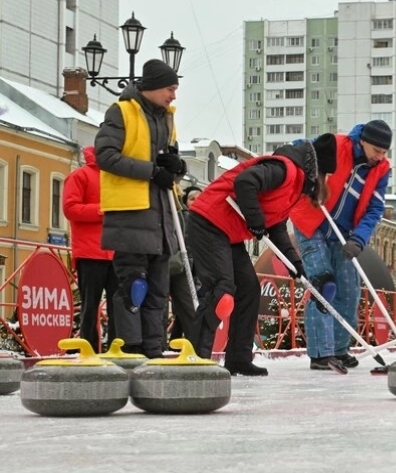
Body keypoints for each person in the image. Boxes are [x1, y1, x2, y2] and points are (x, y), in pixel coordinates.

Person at [186, 135, 336, 376]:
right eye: (326, 176)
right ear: (316, 170)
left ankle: (238, 358)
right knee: (222, 291)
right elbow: (245, 182)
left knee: (249, 289)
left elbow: (276, 227)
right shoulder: (283, 169)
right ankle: (195, 359)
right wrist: (255, 221)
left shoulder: (294, 189)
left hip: (230, 232)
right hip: (208, 223)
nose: (325, 182)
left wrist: (294, 263)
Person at [96, 59, 186, 359]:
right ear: (152, 87)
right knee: (134, 286)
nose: (173, 95)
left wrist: (177, 167)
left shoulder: (167, 118)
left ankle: (153, 348)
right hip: (130, 214)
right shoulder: (121, 112)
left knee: (159, 290)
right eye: (170, 88)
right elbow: (105, 155)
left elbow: (170, 163)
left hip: (161, 216)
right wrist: (150, 171)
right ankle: (131, 348)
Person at [290, 120, 392, 372]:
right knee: (325, 285)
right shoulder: (336, 145)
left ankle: (338, 349)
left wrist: (359, 239)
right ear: (363, 142)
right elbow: (298, 152)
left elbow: (375, 208)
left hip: (345, 233)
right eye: (376, 151)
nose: (379, 157)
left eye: (384, 153)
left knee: (348, 291)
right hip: (311, 223)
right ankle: (321, 353)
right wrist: (308, 181)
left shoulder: (381, 169)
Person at [64, 145, 117, 353]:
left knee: (117, 307)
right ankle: (89, 350)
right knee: (90, 306)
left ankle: (116, 349)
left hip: (114, 250)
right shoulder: (80, 176)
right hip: (90, 252)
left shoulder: (115, 177)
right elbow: (70, 209)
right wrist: (103, 210)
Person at [165, 185, 201, 343]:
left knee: (186, 307)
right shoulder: (183, 215)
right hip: (177, 262)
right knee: (177, 306)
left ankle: (186, 343)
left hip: (189, 267)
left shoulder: (200, 219)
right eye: (193, 199)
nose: (196, 202)